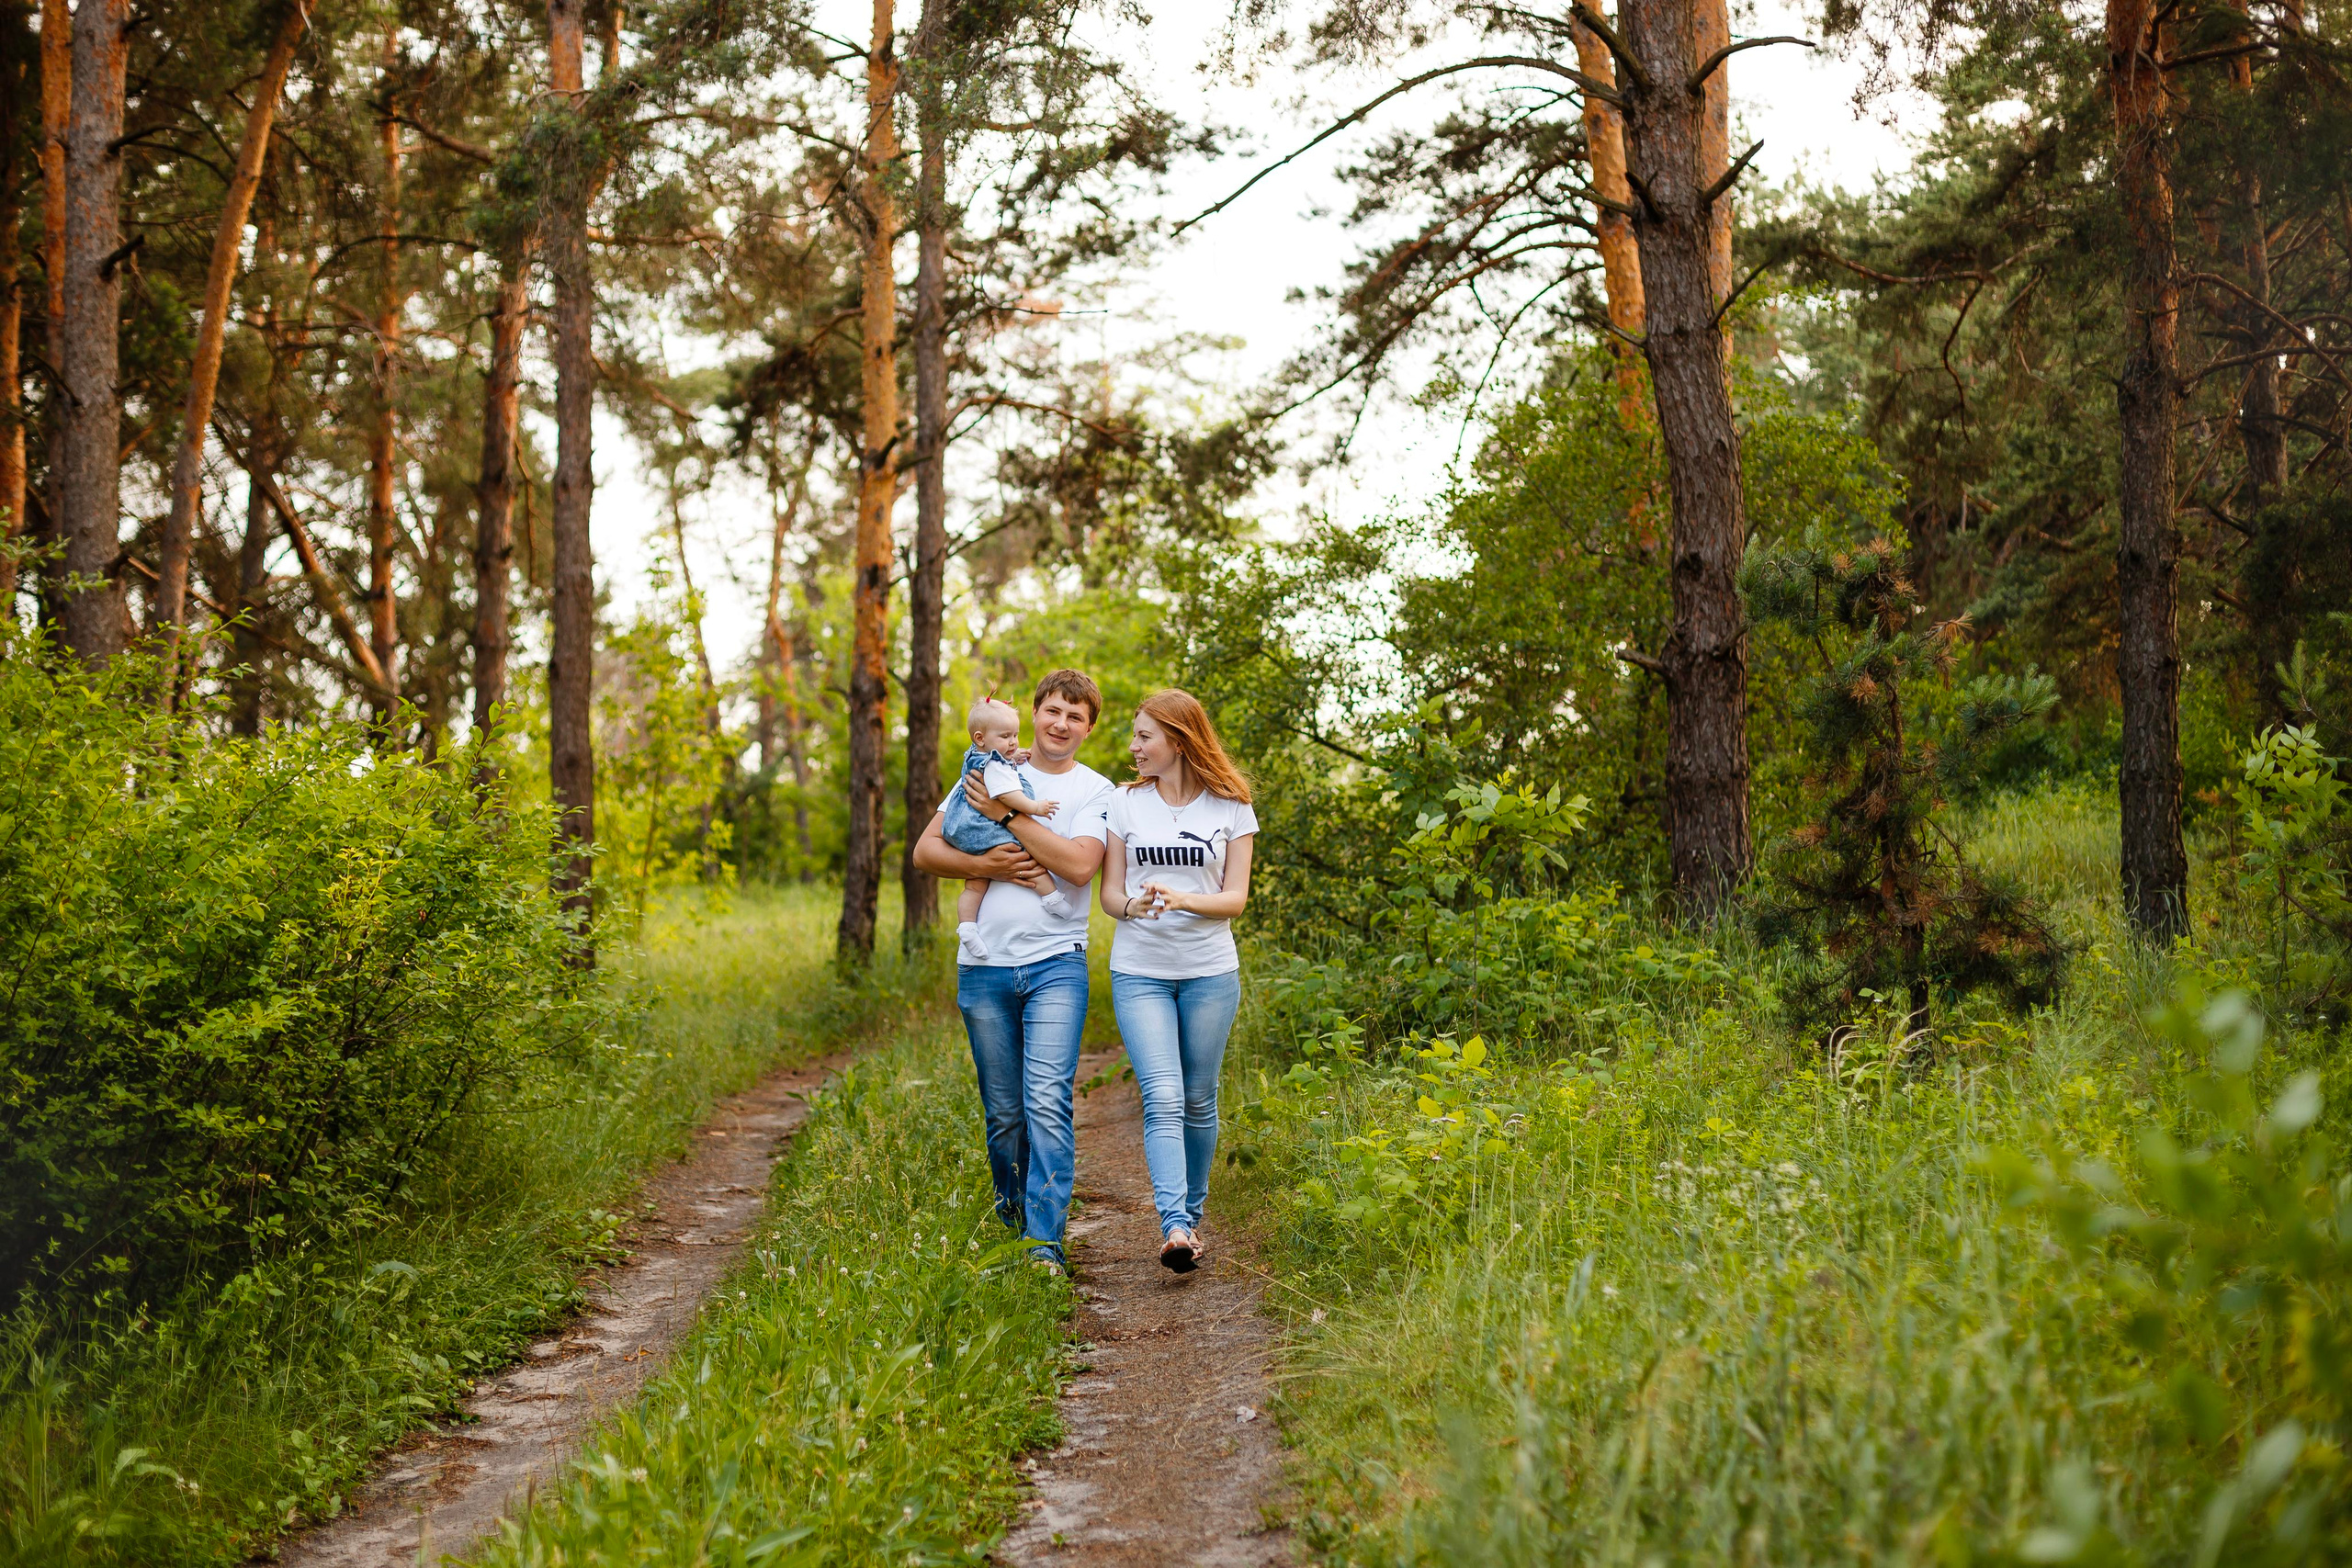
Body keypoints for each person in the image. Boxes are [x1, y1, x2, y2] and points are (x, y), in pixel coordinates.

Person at [910, 671, 1112, 1271]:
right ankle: (1014, 1221)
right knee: (1004, 1113)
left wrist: (1005, 816)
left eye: (1075, 716)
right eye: (1053, 710)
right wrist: (990, 863)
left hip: (1056, 965)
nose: (1061, 724)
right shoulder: (981, 768)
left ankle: (1044, 1245)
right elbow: (926, 851)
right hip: (983, 968)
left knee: (1046, 1101)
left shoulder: (1095, 790)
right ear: (1034, 713)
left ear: (1088, 727)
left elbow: (1078, 865)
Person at [1098, 689, 1257, 1274]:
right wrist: (1131, 909)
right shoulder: (1124, 803)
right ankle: (1175, 1226)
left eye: (1143, 736)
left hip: (1210, 974)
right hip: (1139, 971)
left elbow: (1235, 899)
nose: (1133, 747)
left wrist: (1185, 898)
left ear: (1179, 739)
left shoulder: (1232, 806)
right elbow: (1109, 895)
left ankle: (1193, 1214)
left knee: (1198, 1097)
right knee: (1162, 1095)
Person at [943, 695, 1073, 963]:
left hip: (967, 830)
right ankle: (1050, 896)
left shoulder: (979, 757)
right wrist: (1035, 807)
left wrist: (1015, 754)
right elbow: (1008, 795)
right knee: (1028, 852)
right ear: (981, 738)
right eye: (1005, 736)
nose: (1013, 742)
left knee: (975, 885)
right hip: (986, 828)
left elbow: (1003, 762)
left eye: (1015, 735)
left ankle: (967, 926)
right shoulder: (993, 766)